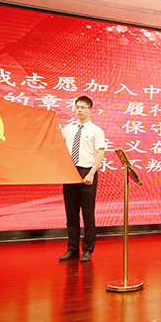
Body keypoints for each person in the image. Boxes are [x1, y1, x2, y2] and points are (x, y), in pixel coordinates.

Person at [59, 96, 105, 263]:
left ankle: (87, 249)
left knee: (88, 215)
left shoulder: (96, 131)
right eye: (77, 107)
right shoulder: (68, 129)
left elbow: (100, 153)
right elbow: (56, 142)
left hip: (87, 172)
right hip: (70, 173)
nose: (79, 110)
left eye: (83, 107)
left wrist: (91, 173)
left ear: (90, 110)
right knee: (71, 215)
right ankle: (72, 249)